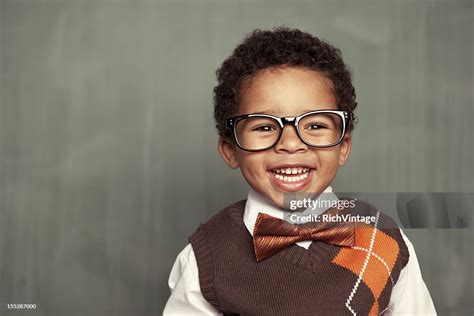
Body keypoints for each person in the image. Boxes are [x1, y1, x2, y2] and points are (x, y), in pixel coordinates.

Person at [163, 27, 436, 315]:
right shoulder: (207, 256)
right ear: (231, 150)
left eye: (315, 126)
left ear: (343, 147)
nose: (291, 144)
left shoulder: (385, 237)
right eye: (265, 127)